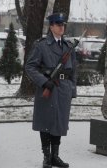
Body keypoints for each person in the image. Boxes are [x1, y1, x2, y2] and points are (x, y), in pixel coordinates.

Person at [25, 12, 77, 168]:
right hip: (48, 88)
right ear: (51, 26)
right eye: (58, 25)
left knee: (59, 122)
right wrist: (43, 82)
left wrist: (73, 89)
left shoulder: (69, 46)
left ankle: (56, 156)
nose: (62, 27)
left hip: (64, 89)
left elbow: (74, 70)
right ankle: (47, 157)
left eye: (63, 25)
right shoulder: (41, 45)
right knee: (46, 122)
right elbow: (30, 67)